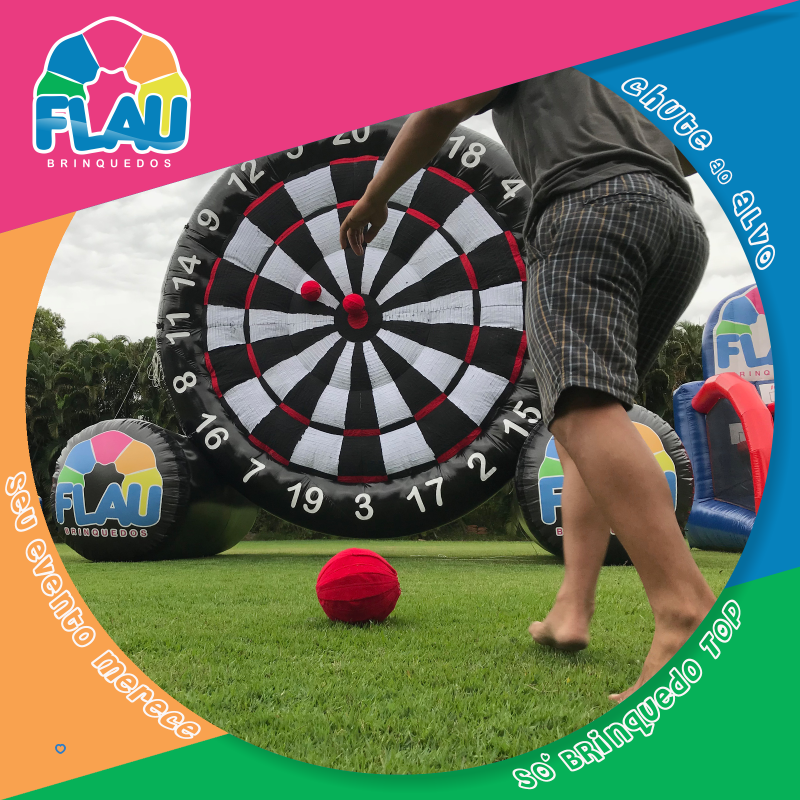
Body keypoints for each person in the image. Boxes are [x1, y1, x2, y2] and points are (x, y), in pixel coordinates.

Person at [339, 69, 716, 703]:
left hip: (588, 207)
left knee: (579, 409)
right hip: (677, 222)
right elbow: (691, 149)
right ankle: (572, 609)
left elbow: (442, 106)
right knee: (587, 417)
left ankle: (684, 611)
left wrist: (375, 197)